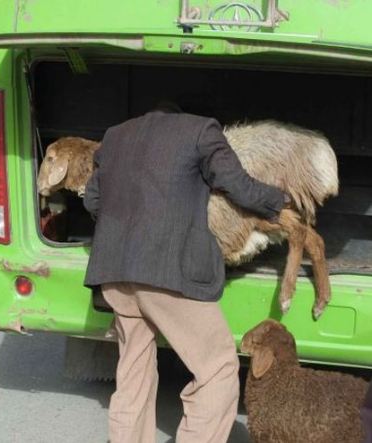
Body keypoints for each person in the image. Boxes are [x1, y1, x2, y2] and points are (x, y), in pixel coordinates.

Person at [83, 102, 288, 443]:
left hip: (115, 272)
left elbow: (93, 201)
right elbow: (238, 185)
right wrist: (281, 200)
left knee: (133, 370)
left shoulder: (115, 136)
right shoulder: (202, 130)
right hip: (168, 270)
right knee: (218, 369)